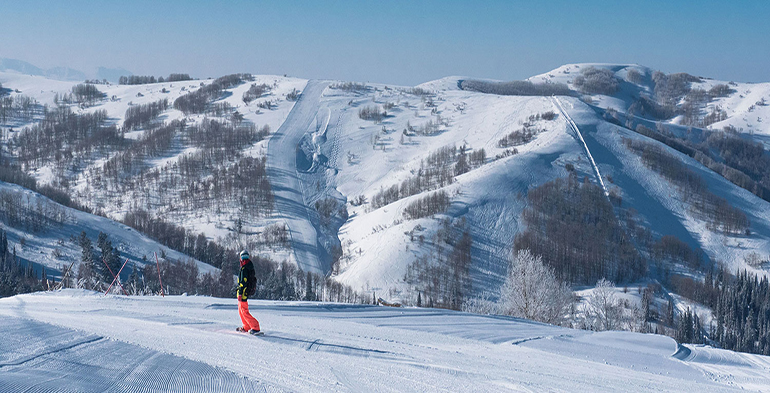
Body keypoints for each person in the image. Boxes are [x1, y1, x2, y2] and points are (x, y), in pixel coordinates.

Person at [236, 250, 261, 334]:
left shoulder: (244, 268)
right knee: (241, 310)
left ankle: (255, 327)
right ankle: (246, 327)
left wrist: (240, 293)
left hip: (243, 292)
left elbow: (243, 282)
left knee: (244, 310)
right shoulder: (249, 266)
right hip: (244, 291)